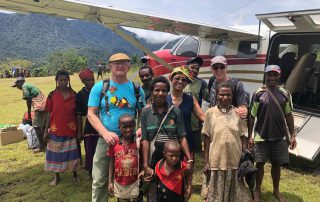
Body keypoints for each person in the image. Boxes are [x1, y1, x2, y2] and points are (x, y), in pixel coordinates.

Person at [88, 53, 145, 202]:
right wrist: (105, 133)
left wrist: (140, 129)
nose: (120, 65)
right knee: (100, 179)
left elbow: (143, 113)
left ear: (129, 66)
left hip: (131, 141)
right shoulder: (100, 87)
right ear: (110, 66)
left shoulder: (136, 88)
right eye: (116, 63)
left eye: (124, 63)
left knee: (134, 175)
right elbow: (91, 114)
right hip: (106, 140)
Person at [248, 65, 297, 202]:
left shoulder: (285, 93)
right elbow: (251, 116)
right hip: (261, 135)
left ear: (279, 76)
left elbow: (289, 115)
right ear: (265, 76)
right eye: (269, 75)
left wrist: (292, 135)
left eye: (275, 75)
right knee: (260, 164)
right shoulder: (258, 93)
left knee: (276, 164)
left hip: (280, 136)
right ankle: (257, 191)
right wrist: (250, 136)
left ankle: (276, 190)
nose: (272, 78)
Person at [141, 76, 192, 202]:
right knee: (154, 195)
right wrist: (146, 165)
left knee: (174, 194)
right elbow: (145, 140)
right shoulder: (145, 113)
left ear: (167, 92)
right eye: (156, 90)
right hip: (154, 162)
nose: (160, 93)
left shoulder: (175, 111)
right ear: (151, 91)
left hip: (173, 162)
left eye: (164, 90)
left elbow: (182, 137)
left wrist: (188, 159)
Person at [202, 82, 250, 202]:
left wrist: (245, 157)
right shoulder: (210, 113)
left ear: (232, 96)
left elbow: (243, 137)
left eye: (228, 95)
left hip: (234, 159)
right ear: (216, 95)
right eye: (222, 94)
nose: (225, 97)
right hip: (216, 159)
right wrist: (206, 162)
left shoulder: (238, 113)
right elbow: (206, 140)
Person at [43, 70, 81, 186]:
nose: (63, 82)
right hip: (55, 130)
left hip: (71, 130)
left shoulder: (74, 94)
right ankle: (56, 177)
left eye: (65, 80)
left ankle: (74, 175)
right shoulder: (52, 95)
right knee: (55, 154)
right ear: (56, 81)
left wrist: (79, 131)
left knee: (73, 154)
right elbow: (49, 113)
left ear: (68, 81)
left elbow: (78, 114)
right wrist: (45, 131)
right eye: (61, 80)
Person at [167, 66, 205, 154]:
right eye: (177, 78)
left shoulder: (190, 99)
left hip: (186, 139)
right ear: (171, 79)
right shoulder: (164, 99)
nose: (180, 81)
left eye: (184, 80)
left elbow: (202, 116)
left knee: (187, 165)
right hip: (168, 140)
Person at [108, 114, 142, 202]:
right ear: (119, 127)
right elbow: (112, 162)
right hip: (120, 183)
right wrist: (110, 181)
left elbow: (142, 159)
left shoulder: (138, 142)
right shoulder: (115, 143)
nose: (128, 129)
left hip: (136, 182)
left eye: (131, 126)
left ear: (135, 126)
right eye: (124, 127)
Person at [12, 77, 47, 153]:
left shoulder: (24, 86)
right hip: (45, 103)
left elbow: (28, 100)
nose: (17, 88)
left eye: (17, 85)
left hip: (39, 105)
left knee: (36, 126)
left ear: (20, 82)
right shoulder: (29, 85)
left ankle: (41, 146)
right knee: (44, 125)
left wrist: (28, 112)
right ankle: (45, 143)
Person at [184, 56, 209, 153]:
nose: (195, 70)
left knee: (193, 150)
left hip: (195, 123)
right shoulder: (180, 80)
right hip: (180, 120)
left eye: (197, 69)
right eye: (192, 67)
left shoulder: (202, 83)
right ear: (187, 68)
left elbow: (207, 101)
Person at [76, 68, 98, 178]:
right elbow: (79, 114)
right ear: (83, 82)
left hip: (100, 123)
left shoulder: (99, 91)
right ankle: (90, 171)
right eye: (88, 80)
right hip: (87, 125)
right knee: (90, 149)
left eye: (92, 79)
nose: (91, 82)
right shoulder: (80, 95)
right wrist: (80, 131)